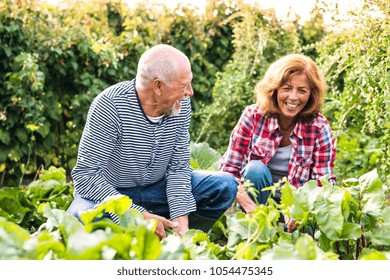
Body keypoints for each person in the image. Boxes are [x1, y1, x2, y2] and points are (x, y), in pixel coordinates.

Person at [67, 44, 238, 239]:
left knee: (224, 185)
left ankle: (175, 236)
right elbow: (86, 175)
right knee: (79, 217)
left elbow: (178, 168)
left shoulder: (179, 104)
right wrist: (135, 214)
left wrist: (181, 220)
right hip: (113, 194)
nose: (189, 92)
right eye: (184, 85)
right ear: (158, 86)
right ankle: (135, 233)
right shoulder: (110, 105)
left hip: (158, 191)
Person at [219, 53, 336, 232]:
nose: (293, 97)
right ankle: (254, 233)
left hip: (296, 207)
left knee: (304, 245)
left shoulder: (319, 127)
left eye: (302, 91)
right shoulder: (253, 116)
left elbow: (323, 184)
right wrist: (251, 208)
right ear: (274, 89)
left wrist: (299, 210)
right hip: (257, 201)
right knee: (255, 169)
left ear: (311, 94)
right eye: (286, 88)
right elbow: (228, 171)